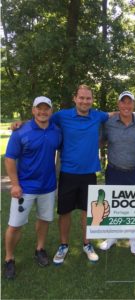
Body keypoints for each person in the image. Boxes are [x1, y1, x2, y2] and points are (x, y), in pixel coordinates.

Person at [52, 84, 113, 264]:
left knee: (89, 212)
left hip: (88, 174)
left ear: (92, 100)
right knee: (65, 211)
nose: (85, 101)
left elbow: (113, 114)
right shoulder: (62, 115)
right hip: (68, 172)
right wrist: (19, 124)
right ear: (75, 98)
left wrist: (132, 114)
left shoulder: (97, 115)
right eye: (82, 98)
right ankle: (64, 245)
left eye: (88, 98)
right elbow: (42, 120)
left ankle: (87, 244)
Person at [4, 96, 62, 279]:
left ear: (51, 111)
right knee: (15, 225)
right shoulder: (21, 131)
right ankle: (9, 259)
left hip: (48, 187)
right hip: (25, 188)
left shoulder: (56, 131)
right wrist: (14, 184)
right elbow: (10, 158)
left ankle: (40, 249)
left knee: (44, 220)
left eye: (46, 109)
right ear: (33, 110)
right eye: (39, 108)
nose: (43, 112)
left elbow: (60, 151)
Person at [99, 91, 135, 254]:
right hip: (114, 171)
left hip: (134, 171)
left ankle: (133, 239)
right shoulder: (109, 123)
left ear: (133, 105)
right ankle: (112, 236)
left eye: (129, 102)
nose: (126, 106)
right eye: (123, 102)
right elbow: (100, 141)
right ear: (118, 104)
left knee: (133, 207)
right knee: (113, 205)